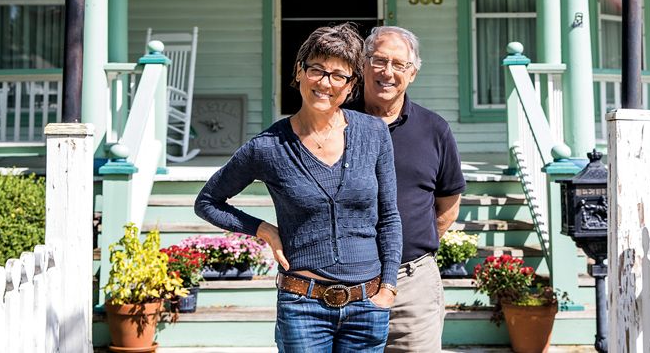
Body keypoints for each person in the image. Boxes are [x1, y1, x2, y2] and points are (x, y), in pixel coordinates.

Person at [194, 23, 402, 353]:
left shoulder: (374, 133)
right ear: (299, 73)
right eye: (317, 70)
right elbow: (208, 201)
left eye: (338, 75)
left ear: (350, 86)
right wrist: (264, 230)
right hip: (303, 307)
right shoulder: (268, 147)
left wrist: (388, 288)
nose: (325, 82)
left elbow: (389, 218)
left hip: (367, 306)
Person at [353, 26, 466, 353]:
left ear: (412, 73)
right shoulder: (338, 122)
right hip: (345, 282)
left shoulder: (434, 130)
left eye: (398, 64)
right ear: (363, 65)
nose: (387, 72)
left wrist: (410, 247)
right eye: (378, 61)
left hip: (411, 284)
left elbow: (448, 206)